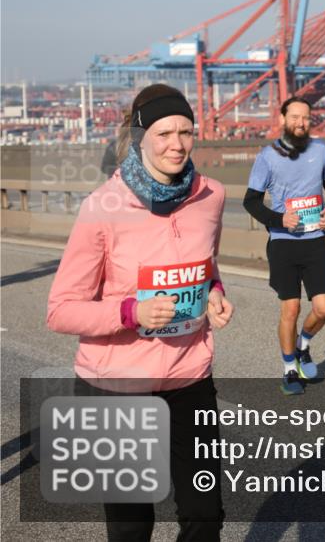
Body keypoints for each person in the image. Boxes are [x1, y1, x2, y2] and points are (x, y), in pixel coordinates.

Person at [47, 83, 234, 540]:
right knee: (132, 524)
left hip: (189, 375)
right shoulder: (102, 207)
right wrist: (132, 312)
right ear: (140, 137)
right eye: (164, 133)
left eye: (186, 132)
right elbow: (60, 310)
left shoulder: (212, 197)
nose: (177, 144)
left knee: (205, 515)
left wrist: (214, 291)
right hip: (115, 382)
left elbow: (206, 264)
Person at [243, 97, 325, 395]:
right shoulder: (268, 156)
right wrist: (278, 219)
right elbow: (251, 201)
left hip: (314, 240)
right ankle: (288, 369)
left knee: (323, 309)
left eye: (306, 118)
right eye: (295, 117)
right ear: (282, 120)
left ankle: (303, 345)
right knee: (292, 308)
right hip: (284, 242)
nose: (301, 123)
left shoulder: (321, 149)